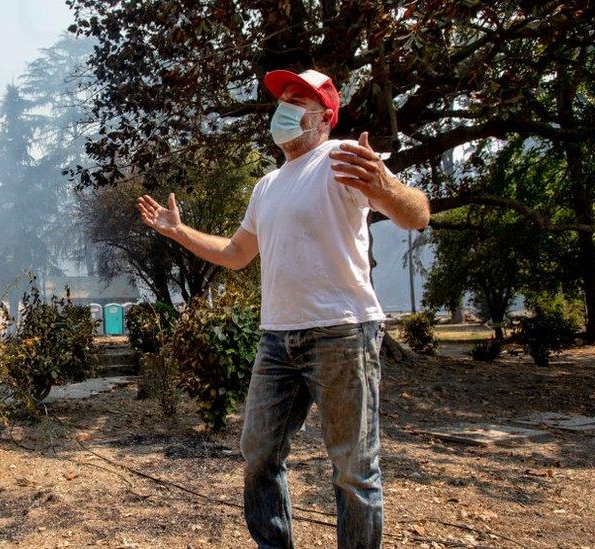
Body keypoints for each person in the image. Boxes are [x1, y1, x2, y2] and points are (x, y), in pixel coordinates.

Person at [136, 69, 430, 548]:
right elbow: (235, 254)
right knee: (259, 454)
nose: (284, 107)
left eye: (298, 99)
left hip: (342, 332)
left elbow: (415, 214)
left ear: (324, 118)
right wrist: (178, 231)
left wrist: (386, 188)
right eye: (282, 98)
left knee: (354, 469)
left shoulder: (341, 158)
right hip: (277, 338)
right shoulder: (266, 186)